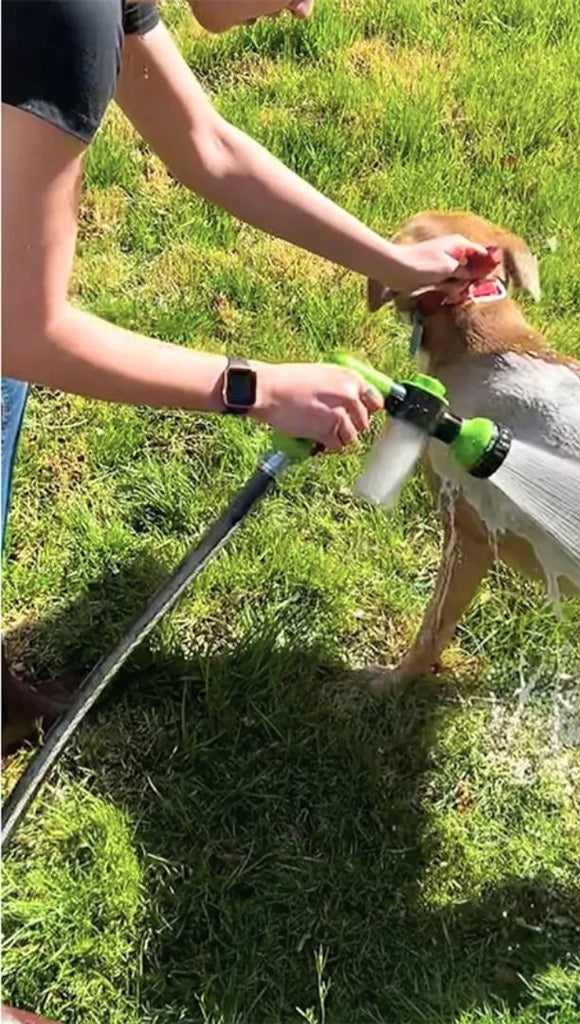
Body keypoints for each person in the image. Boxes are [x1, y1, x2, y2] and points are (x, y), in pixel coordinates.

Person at [1, 0, 487, 751]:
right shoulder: (57, 19)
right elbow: (22, 332)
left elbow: (208, 146)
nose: (305, 8)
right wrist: (259, 389)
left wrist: (398, 264)